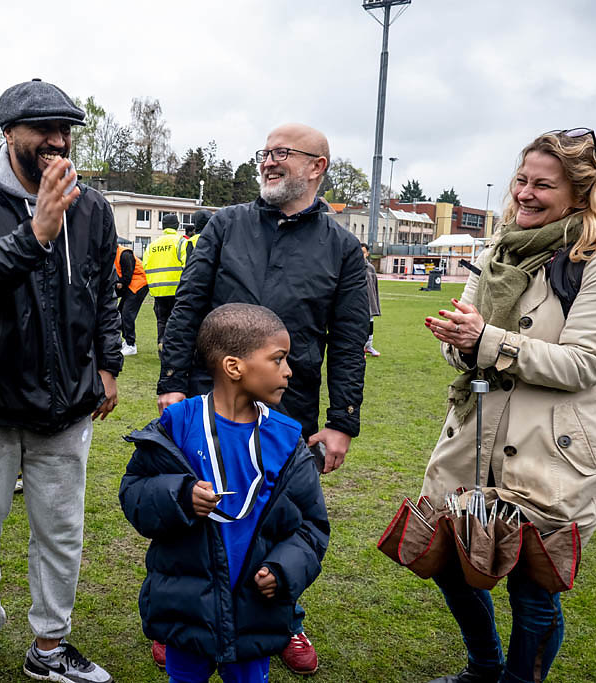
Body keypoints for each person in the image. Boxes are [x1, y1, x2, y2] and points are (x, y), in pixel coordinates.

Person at [421, 129, 596, 683]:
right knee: (452, 560)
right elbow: (466, 344)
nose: (525, 193)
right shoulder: (499, 248)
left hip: (555, 449)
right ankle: (485, 668)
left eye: (544, 184)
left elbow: (588, 364)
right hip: (475, 436)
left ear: (582, 191)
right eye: (522, 180)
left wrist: (486, 342)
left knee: (533, 588)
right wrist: (458, 342)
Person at [156, 123, 367, 675]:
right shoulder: (225, 225)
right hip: (210, 402)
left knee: (279, 520)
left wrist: (342, 419)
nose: (269, 162)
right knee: (195, 510)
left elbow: (348, 341)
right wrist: (173, 381)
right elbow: (188, 306)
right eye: (265, 153)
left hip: (285, 406)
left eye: (282, 154)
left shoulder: (343, 248)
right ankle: (181, 621)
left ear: (317, 166)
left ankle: (286, 619)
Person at [0, 78, 121, 683]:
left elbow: (104, 293)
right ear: (9, 133)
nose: (58, 140)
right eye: (44, 128)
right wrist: (37, 230)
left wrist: (109, 363)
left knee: (62, 531)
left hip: (66, 401)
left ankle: (49, 646)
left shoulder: (90, 206)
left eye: (66, 129)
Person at [120, 303, 330, 683]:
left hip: (255, 610)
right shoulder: (178, 425)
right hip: (188, 606)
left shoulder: (286, 439)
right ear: (235, 367)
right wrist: (181, 497)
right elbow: (135, 493)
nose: (288, 370)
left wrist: (283, 570)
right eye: (278, 359)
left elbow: (312, 526)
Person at [143, 212, 188, 348]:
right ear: (177, 226)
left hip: (158, 290)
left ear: (163, 226)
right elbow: (187, 265)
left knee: (161, 320)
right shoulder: (181, 242)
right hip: (177, 289)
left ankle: (161, 345)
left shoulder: (153, 244)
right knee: (176, 320)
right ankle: (173, 348)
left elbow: (145, 264)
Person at [116, 243, 148, 356]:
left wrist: (119, 286)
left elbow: (126, 277)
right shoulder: (113, 254)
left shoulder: (124, 254)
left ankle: (131, 344)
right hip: (131, 285)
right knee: (120, 312)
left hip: (139, 284)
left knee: (127, 313)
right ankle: (127, 341)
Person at [362, 243, 382, 357]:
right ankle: (360, 347)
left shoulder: (371, 268)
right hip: (358, 303)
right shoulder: (352, 267)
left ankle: (368, 346)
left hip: (370, 301)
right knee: (360, 325)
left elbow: (374, 286)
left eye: (363, 252)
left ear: (367, 254)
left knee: (370, 324)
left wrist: (375, 303)